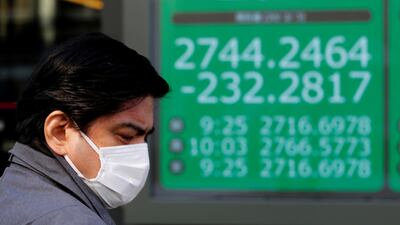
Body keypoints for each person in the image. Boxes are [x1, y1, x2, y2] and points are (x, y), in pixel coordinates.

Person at [0, 33, 170, 225]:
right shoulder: (69, 219)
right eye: (126, 136)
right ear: (59, 132)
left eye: (145, 138)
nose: (140, 157)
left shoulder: (16, 189)